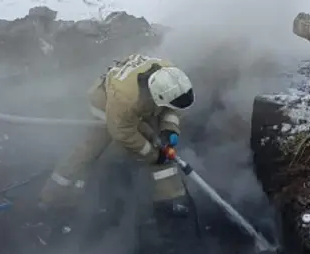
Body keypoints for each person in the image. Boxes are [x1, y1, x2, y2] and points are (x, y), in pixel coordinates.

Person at [39, 54, 195, 238]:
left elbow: (172, 108)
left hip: (142, 102)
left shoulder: (171, 78)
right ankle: (55, 198)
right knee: (90, 149)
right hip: (106, 104)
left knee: (163, 156)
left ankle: (169, 202)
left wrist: (169, 129)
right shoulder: (124, 100)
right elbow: (123, 133)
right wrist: (153, 154)